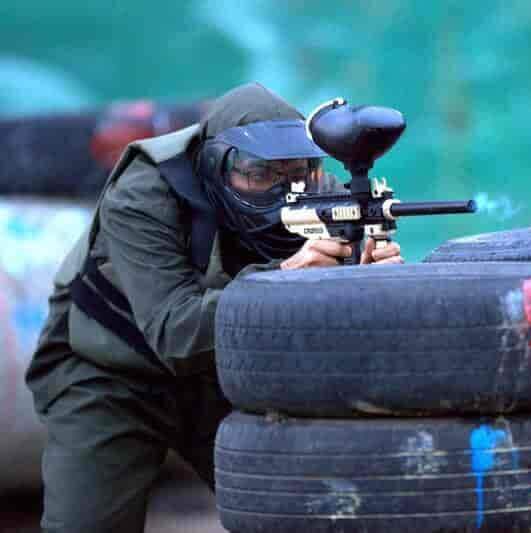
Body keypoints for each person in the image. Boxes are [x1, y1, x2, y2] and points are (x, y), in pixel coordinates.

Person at [25, 82, 403, 533]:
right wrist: (284, 278)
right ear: (215, 166)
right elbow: (176, 334)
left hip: (223, 373)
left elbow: (347, 317)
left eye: (294, 172)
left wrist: (366, 274)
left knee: (303, 513)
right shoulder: (145, 192)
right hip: (109, 373)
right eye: (260, 174)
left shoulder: (315, 193)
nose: (283, 188)